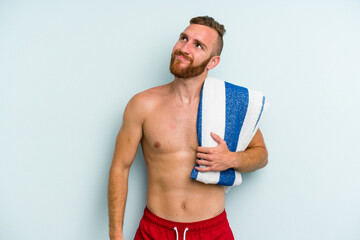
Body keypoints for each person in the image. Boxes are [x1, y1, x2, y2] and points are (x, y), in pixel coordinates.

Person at [108, 16, 268, 240]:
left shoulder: (229, 104)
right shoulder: (142, 104)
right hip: (155, 230)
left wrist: (231, 160)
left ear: (213, 62)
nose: (184, 48)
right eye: (184, 38)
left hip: (213, 232)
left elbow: (262, 156)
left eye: (198, 45)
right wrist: (115, 233)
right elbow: (120, 167)